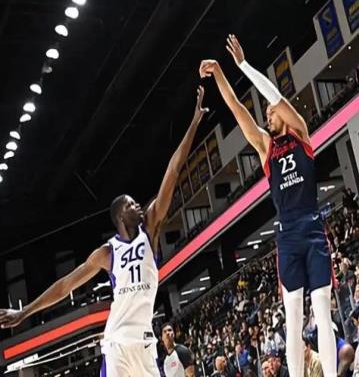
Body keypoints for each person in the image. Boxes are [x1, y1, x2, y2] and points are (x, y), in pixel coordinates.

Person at [0, 88, 209, 377]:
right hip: (118, 345)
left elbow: (173, 171)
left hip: (144, 343)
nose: (138, 205)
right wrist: (24, 312)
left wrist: (194, 123)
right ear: (120, 216)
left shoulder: (150, 228)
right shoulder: (107, 253)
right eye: (132, 204)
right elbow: (65, 285)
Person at [200, 35, 337, 377]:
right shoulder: (266, 147)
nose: (268, 114)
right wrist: (220, 74)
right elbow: (237, 109)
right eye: (266, 114)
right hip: (287, 234)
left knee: (322, 310)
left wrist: (244, 65)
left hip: (312, 226)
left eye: (271, 112)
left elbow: (275, 97)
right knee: (293, 319)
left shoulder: (301, 133)